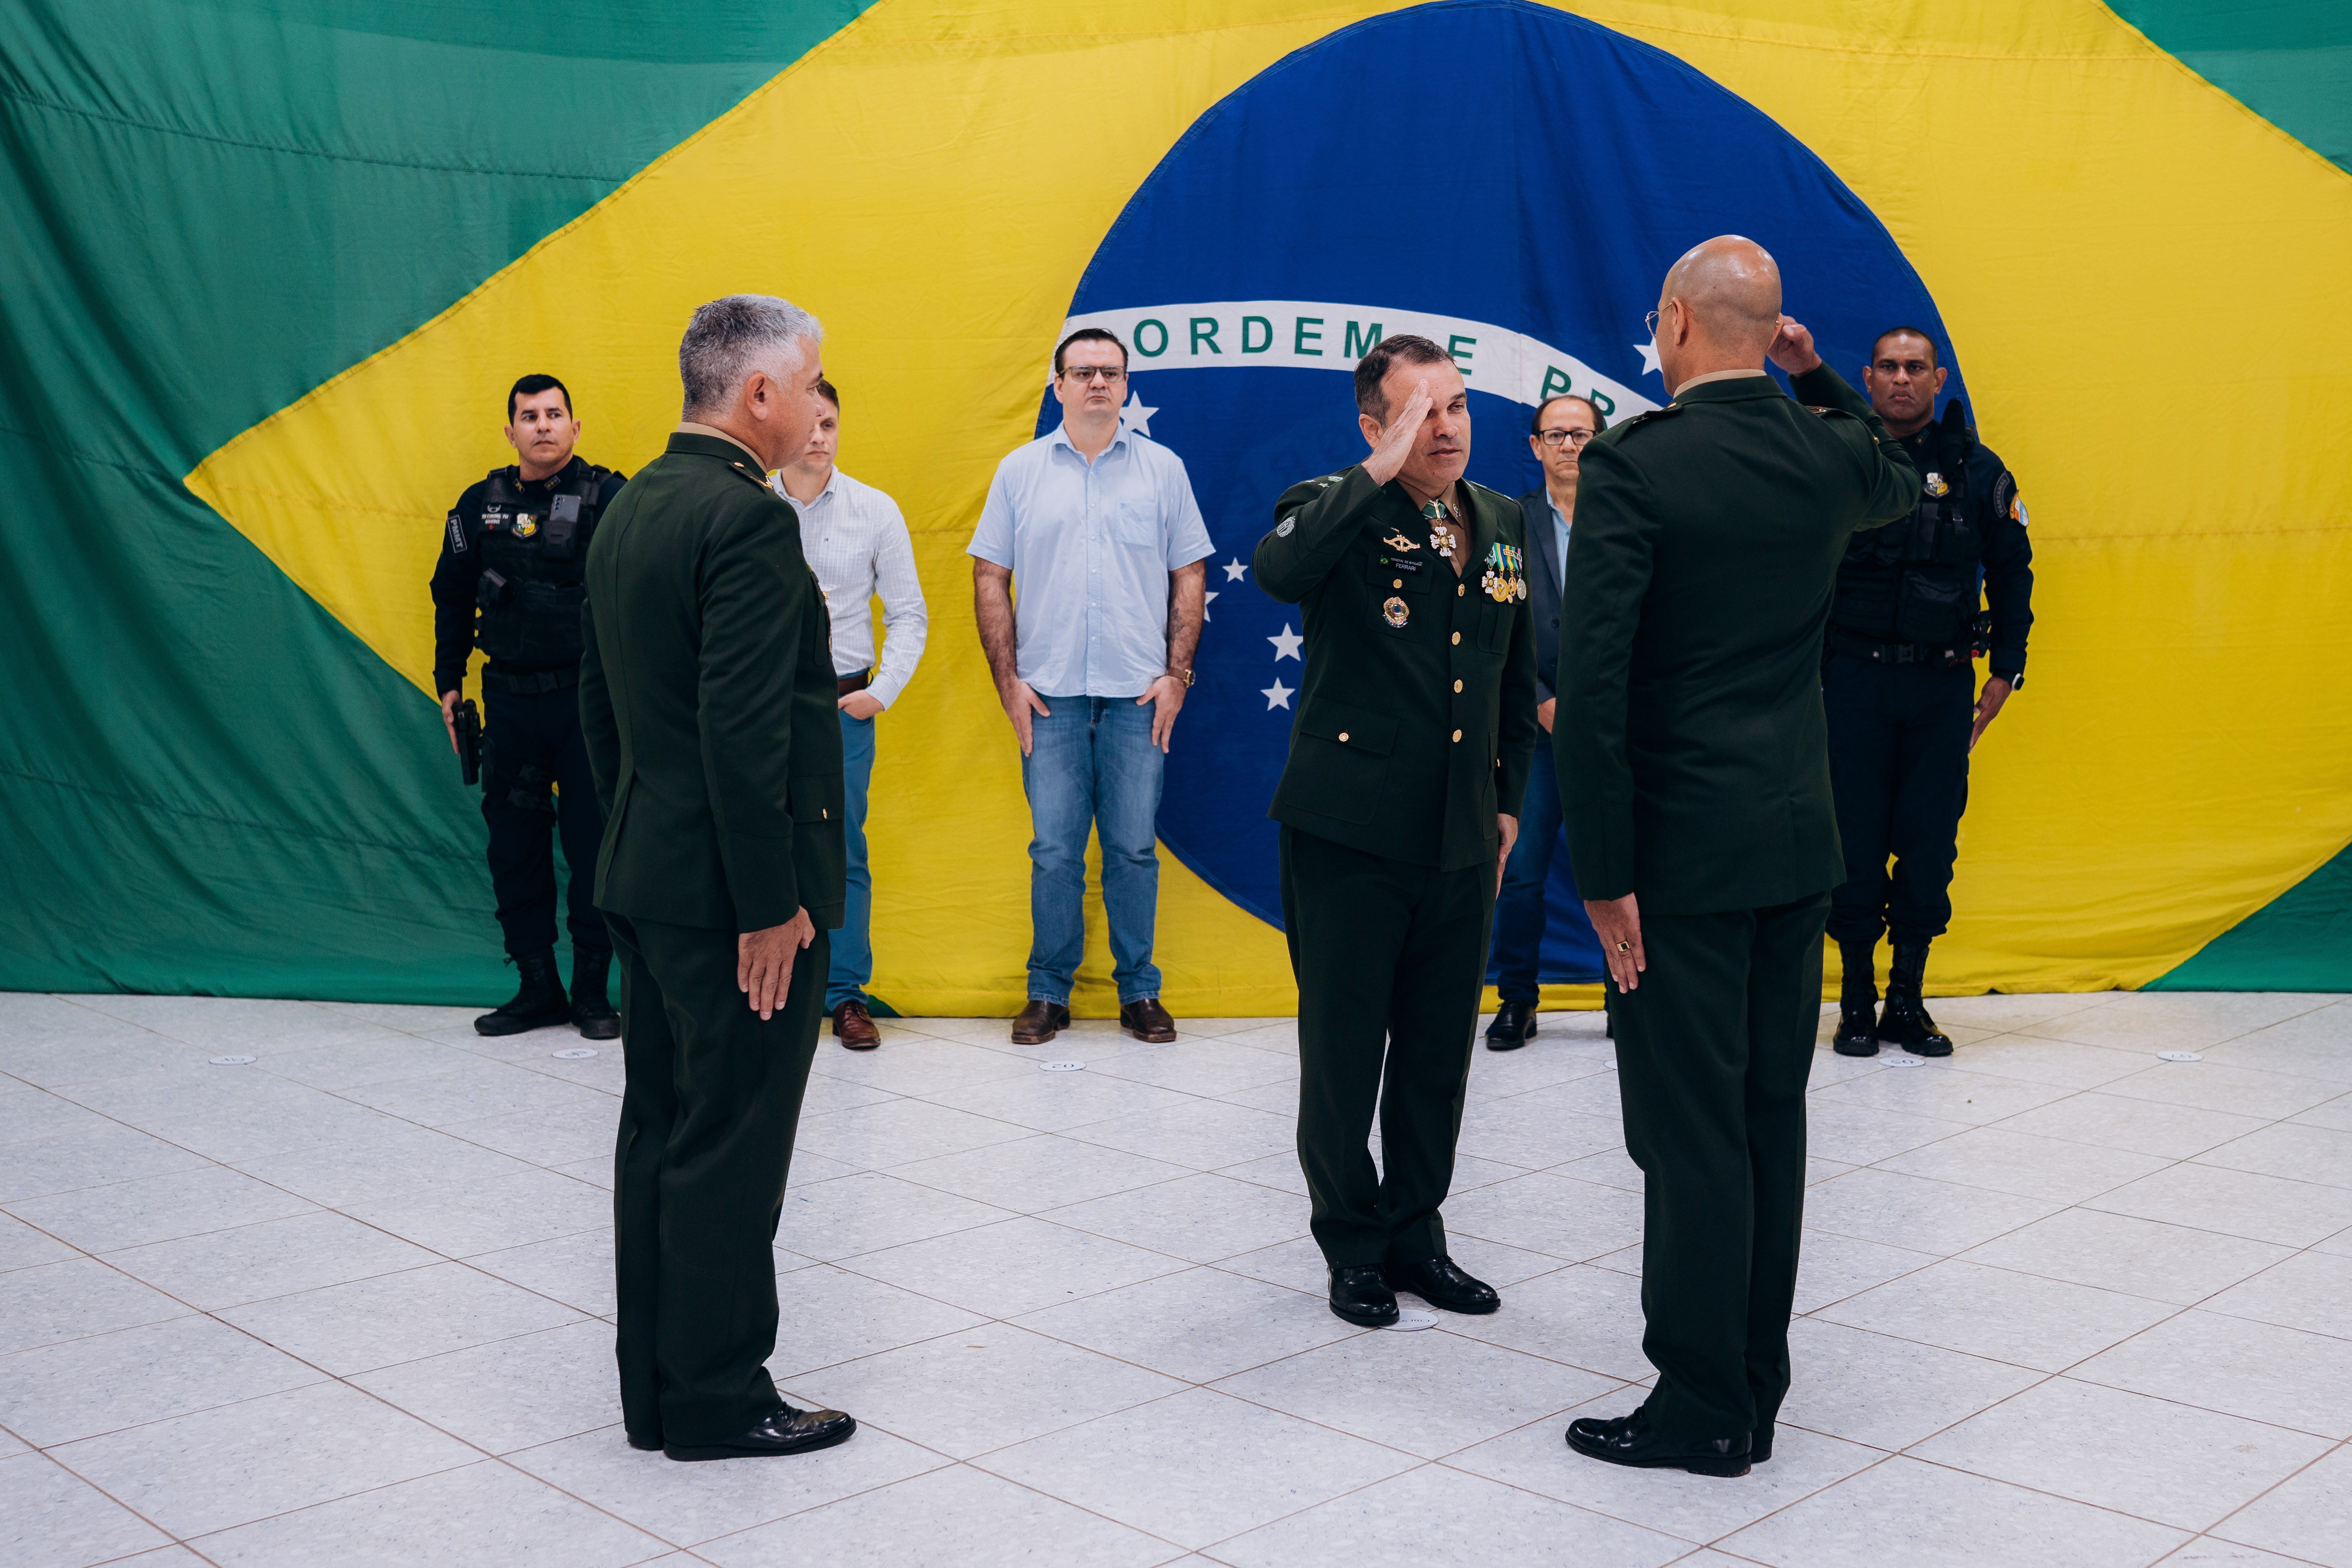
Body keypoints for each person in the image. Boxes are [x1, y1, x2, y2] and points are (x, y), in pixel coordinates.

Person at [1557, 238, 1918, 1477]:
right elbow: (1889, 463)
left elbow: (1592, 685)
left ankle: (1702, 1402)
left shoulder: (1633, 463)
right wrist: (1811, 377)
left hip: (1677, 861)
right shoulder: (1827, 453)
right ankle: (1753, 1382)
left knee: (1686, 1133)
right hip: (1792, 844)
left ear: (1671, 322)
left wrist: (1602, 872)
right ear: (1768, 335)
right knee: (1768, 1119)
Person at [579, 294, 856, 1463]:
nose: (816, 402)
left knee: (662, 1131)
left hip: (648, 873)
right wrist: (766, 905)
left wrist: (640, 840)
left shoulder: (633, 503)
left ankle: (657, 1393)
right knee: (732, 1148)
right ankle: (719, 1396)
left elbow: (604, 710)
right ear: (758, 394)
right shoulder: (745, 521)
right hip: (731, 903)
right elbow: (745, 733)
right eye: (811, 382)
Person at [1255, 333, 1538, 1328]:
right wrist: (1376, 471)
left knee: (1433, 1055)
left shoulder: (1500, 518)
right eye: (1421, 412)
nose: (1446, 427)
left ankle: (1417, 1236)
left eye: (1456, 405)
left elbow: (1511, 674)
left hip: (1459, 833)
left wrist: (1505, 799)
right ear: (1374, 426)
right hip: (1348, 834)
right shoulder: (1331, 502)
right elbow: (1279, 570)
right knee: (1344, 1055)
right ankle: (1352, 1244)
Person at [969, 327, 1211, 1046]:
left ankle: (1140, 991)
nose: (1097, 383)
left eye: (1110, 372)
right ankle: (1048, 992)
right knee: (1054, 851)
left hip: (1139, 696)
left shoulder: (1163, 469)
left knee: (1133, 848)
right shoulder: (1019, 471)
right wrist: (1008, 682)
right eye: (1082, 372)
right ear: (1058, 386)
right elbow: (989, 575)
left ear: (1126, 385)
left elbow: (1189, 572)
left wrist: (1177, 677)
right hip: (1049, 698)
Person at [1824, 327, 2033, 1058]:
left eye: (1915, 367)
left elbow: (2011, 571)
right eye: (1888, 367)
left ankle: (1906, 1002)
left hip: (1939, 685)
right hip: (1849, 683)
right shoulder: (1839, 461)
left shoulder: (1978, 469)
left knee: (1927, 842)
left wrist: (2007, 667)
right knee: (1851, 844)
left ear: (1938, 379)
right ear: (1867, 377)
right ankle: (1856, 1001)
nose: (1901, 379)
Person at [429, 375, 628, 1039]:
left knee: (594, 846)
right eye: (529, 416)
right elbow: (451, 594)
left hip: (587, 705)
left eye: (554, 414)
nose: (542, 425)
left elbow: (648, 589)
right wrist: (449, 681)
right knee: (514, 848)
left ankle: (592, 993)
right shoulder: (477, 506)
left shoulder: (611, 498)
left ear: (575, 427)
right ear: (510, 431)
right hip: (510, 704)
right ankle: (537, 988)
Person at [771, 379, 928, 1051]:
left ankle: (845, 995)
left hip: (841, 707)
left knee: (840, 850)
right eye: (808, 423)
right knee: (760, 841)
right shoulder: (750, 505)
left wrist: (881, 692)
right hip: (762, 707)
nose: (817, 436)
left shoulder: (874, 510)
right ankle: (770, 989)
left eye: (829, 424)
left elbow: (908, 614)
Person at [1487, 393, 1607, 1051]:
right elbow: (1495, 625)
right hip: (1532, 733)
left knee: (1619, 867)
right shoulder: (1506, 523)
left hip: (1612, 730)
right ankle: (1516, 999)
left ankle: (1627, 997)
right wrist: (1536, 699)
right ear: (1534, 446)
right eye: (1555, 435)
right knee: (1522, 869)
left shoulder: (1626, 519)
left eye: (1580, 434)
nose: (1568, 446)